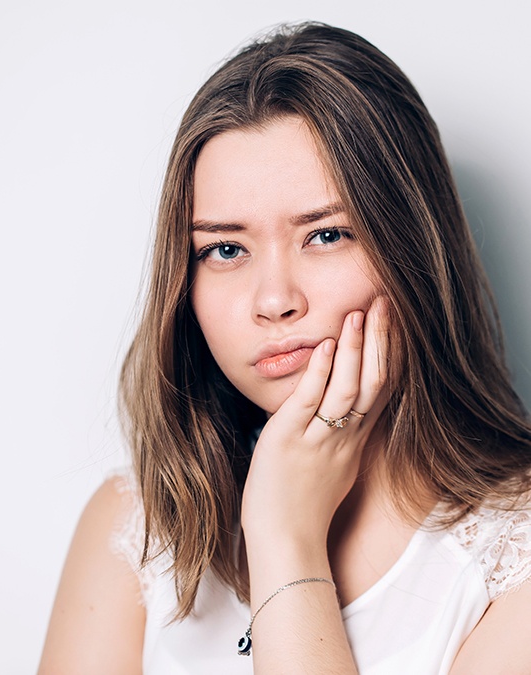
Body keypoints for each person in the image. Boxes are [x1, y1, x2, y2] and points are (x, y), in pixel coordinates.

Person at [38, 22, 531, 674]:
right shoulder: (135, 527)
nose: (273, 300)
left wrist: (286, 536)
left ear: (415, 245)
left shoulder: (515, 557)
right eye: (225, 248)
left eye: (325, 235)